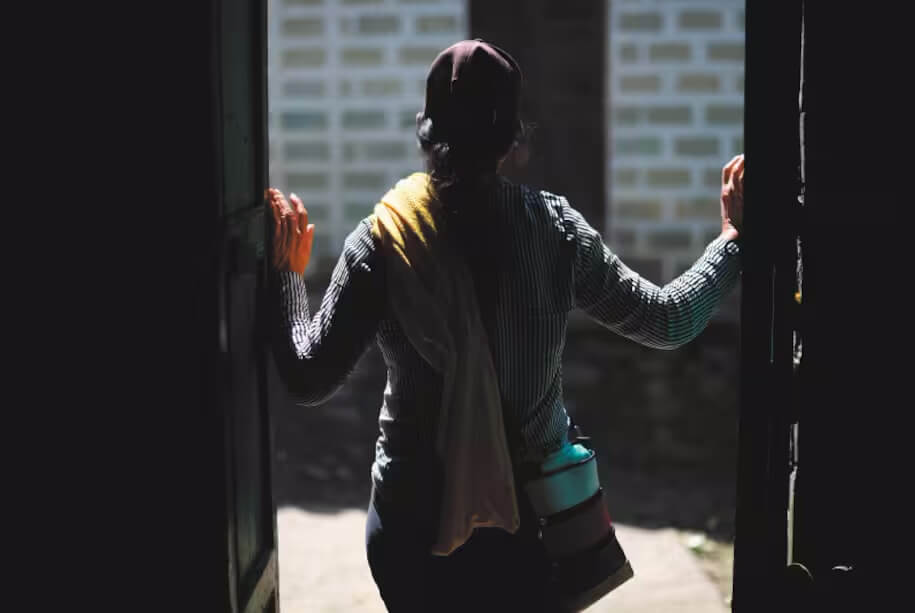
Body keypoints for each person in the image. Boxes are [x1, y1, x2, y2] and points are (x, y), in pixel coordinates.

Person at [266, 39, 744, 612]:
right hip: (534, 529)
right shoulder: (555, 231)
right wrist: (733, 241)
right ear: (512, 140)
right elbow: (669, 319)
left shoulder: (382, 241)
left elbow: (307, 375)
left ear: (427, 132)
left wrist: (288, 277)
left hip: (413, 528)